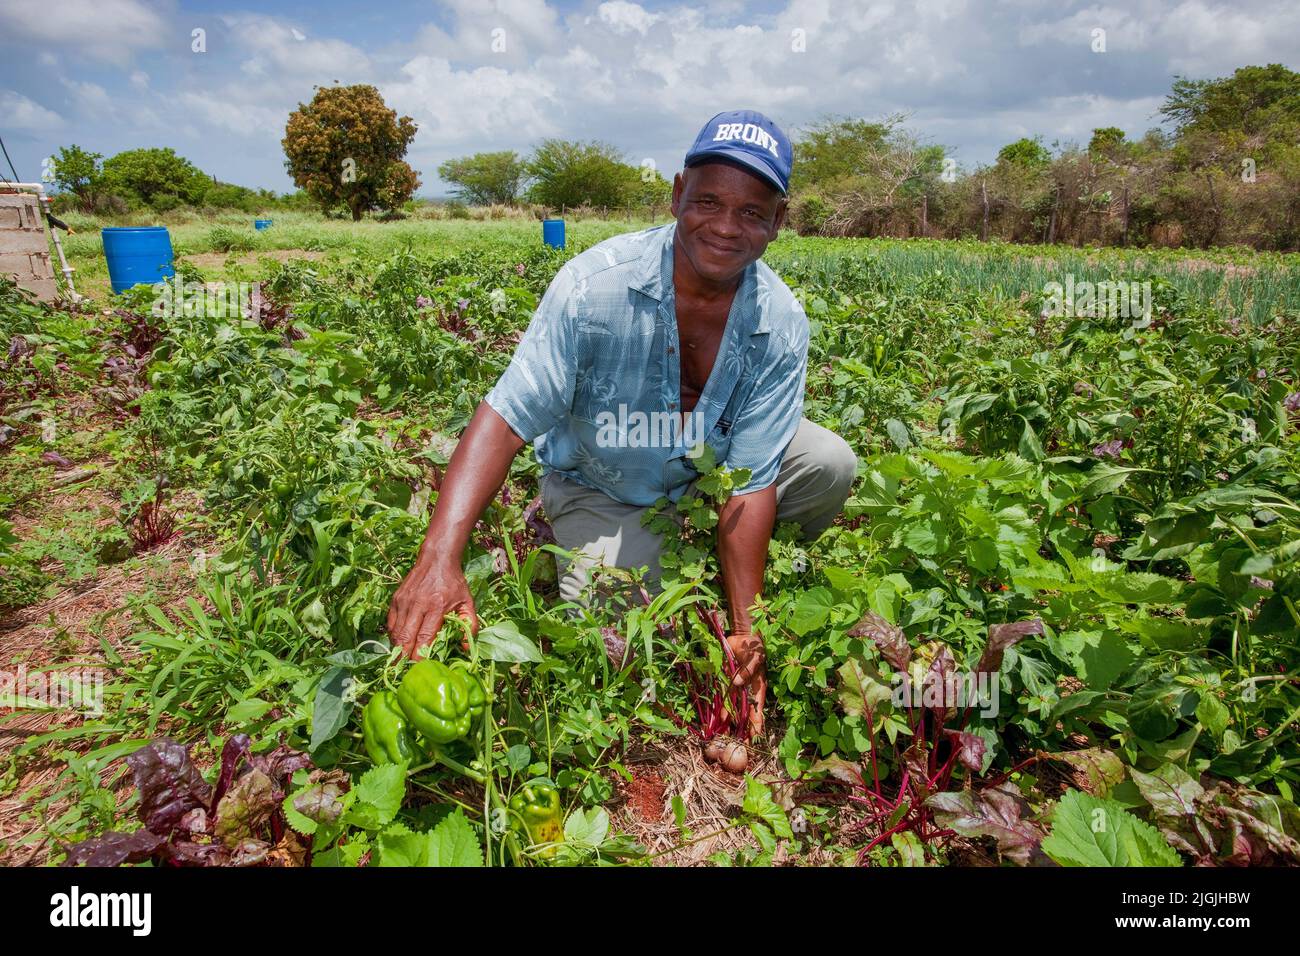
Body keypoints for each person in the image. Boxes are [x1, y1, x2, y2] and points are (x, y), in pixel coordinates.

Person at [386, 109, 857, 738]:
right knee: (624, 639)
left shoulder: (779, 320)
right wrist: (439, 557)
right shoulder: (593, 288)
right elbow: (506, 416)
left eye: (751, 212)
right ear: (676, 195)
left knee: (829, 463)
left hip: (710, 472)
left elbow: (749, 480)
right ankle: (610, 543)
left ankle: (737, 575)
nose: (724, 226)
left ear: (778, 222)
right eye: (709, 200)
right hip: (603, 483)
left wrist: (747, 629)